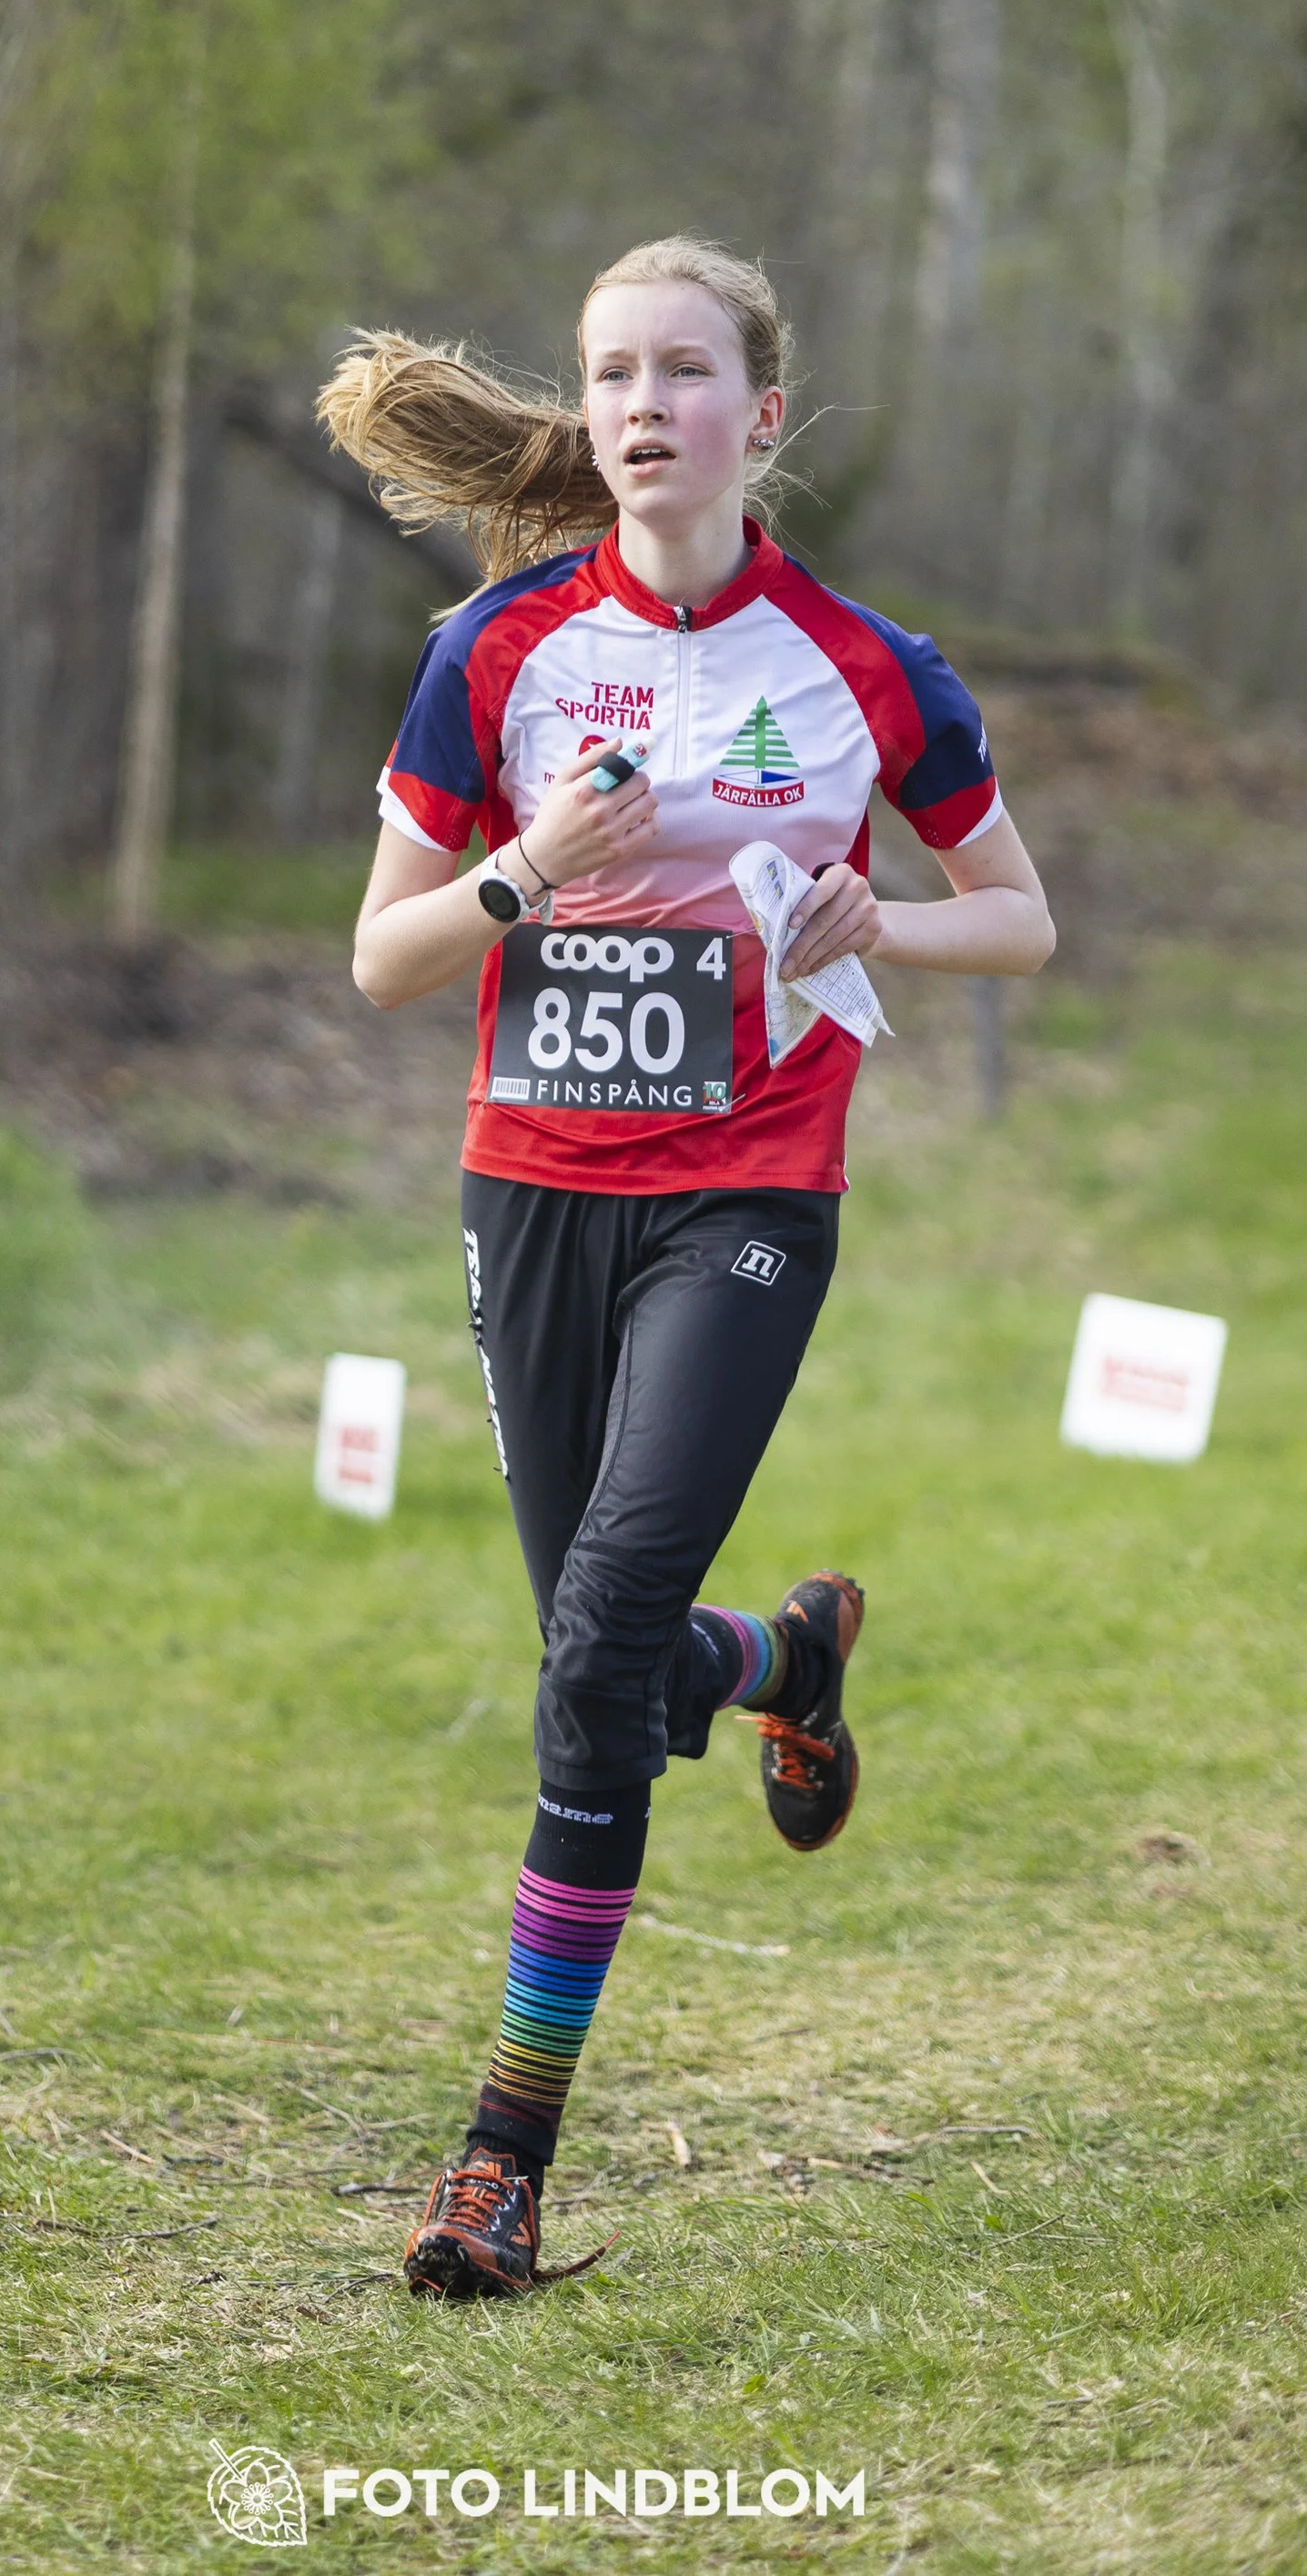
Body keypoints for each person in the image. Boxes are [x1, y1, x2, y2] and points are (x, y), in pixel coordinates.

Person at [319, 236, 1054, 2301]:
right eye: (610, 373)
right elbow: (383, 961)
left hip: (743, 1198)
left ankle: (498, 2161)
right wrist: (522, 868)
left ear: (762, 417)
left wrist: (868, 928)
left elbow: (1018, 919)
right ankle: (782, 1663)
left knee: (580, 1668)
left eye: (683, 372)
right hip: (530, 1196)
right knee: (612, 1670)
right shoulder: (494, 652)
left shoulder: (863, 666)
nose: (643, 405)